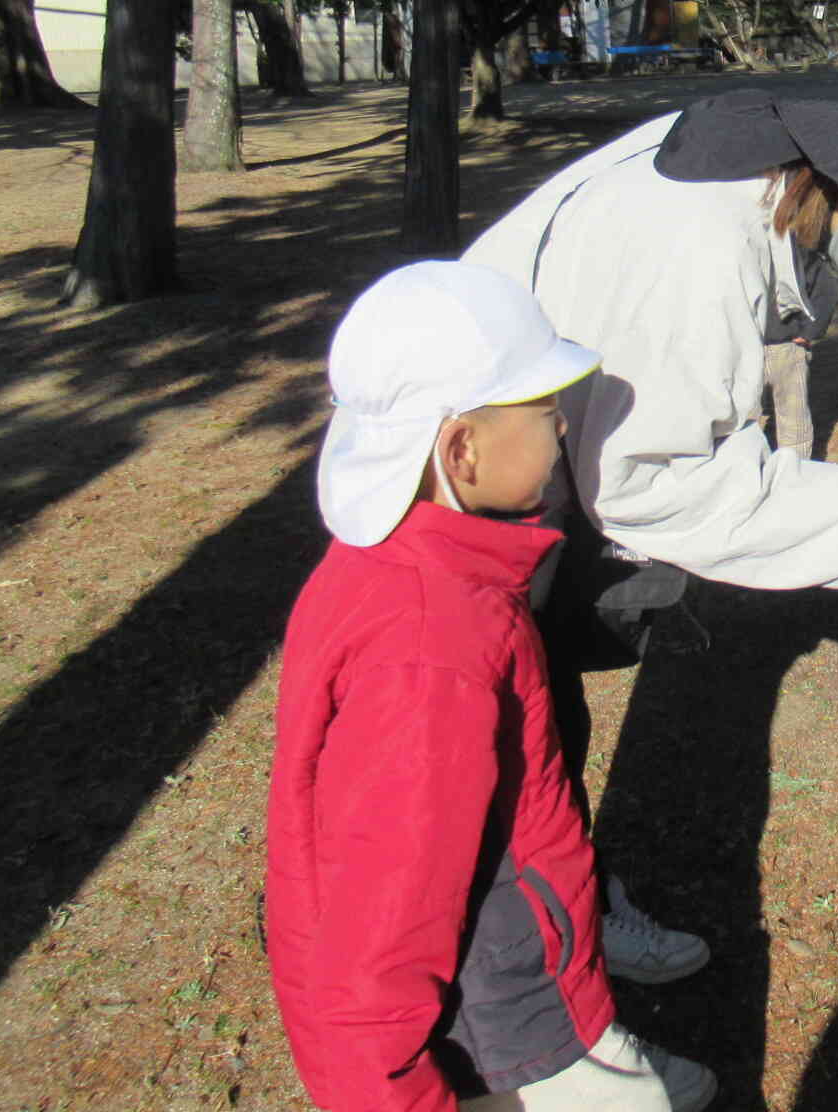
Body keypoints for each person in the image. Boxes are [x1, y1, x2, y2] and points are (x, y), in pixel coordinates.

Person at [464, 41, 838, 975]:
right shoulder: (694, 246)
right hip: (480, 490)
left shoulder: (759, 178)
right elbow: (649, 481)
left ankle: (558, 912)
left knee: (533, 729)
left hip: (520, 460)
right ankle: (541, 974)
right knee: (506, 747)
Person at [266, 262, 716, 1112]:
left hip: (520, 962)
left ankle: (605, 1055)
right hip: (501, 1017)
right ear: (461, 448)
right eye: (547, 417)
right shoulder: (433, 644)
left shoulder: (402, 569)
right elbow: (378, 933)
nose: (559, 436)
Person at [760, 242, 838, 460]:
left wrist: (809, 331)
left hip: (787, 347)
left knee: (793, 422)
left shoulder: (796, 246)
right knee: (739, 421)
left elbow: (826, 290)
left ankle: (795, 478)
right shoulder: (727, 243)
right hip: (742, 348)